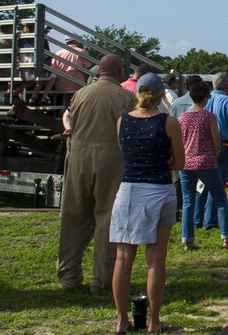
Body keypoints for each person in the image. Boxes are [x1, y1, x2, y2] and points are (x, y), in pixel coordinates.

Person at [110, 73, 185, 334]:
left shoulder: (122, 121)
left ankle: (121, 320)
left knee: (122, 258)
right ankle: (154, 320)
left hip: (128, 189)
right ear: (161, 95)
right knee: (155, 260)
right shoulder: (169, 123)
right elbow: (179, 162)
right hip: (159, 190)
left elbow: (126, 155)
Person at [57, 54, 134, 294]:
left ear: (98, 70)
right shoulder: (126, 98)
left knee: (73, 215)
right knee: (107, 219)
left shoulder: (80, 94)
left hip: (79, 158)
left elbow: (69, 118)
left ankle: (68, 274)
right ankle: (102, 279)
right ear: (120, 70)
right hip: (112, 159)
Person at [178, 81, 228, 250]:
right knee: (220, 199)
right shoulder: (209, 117)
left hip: (186, 162)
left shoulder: (182, 117)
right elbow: (216, 142)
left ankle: (187, 240)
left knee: (188, 202)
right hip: (206, 161)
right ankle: (226, 238)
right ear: (205, 98)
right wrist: (214, 155)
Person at [197, 75, 228, 230]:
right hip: (222, 146)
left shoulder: (205, 101)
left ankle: (197, 219)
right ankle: (210, 221)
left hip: (204, 146)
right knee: (217, 186)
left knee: (202, 184)